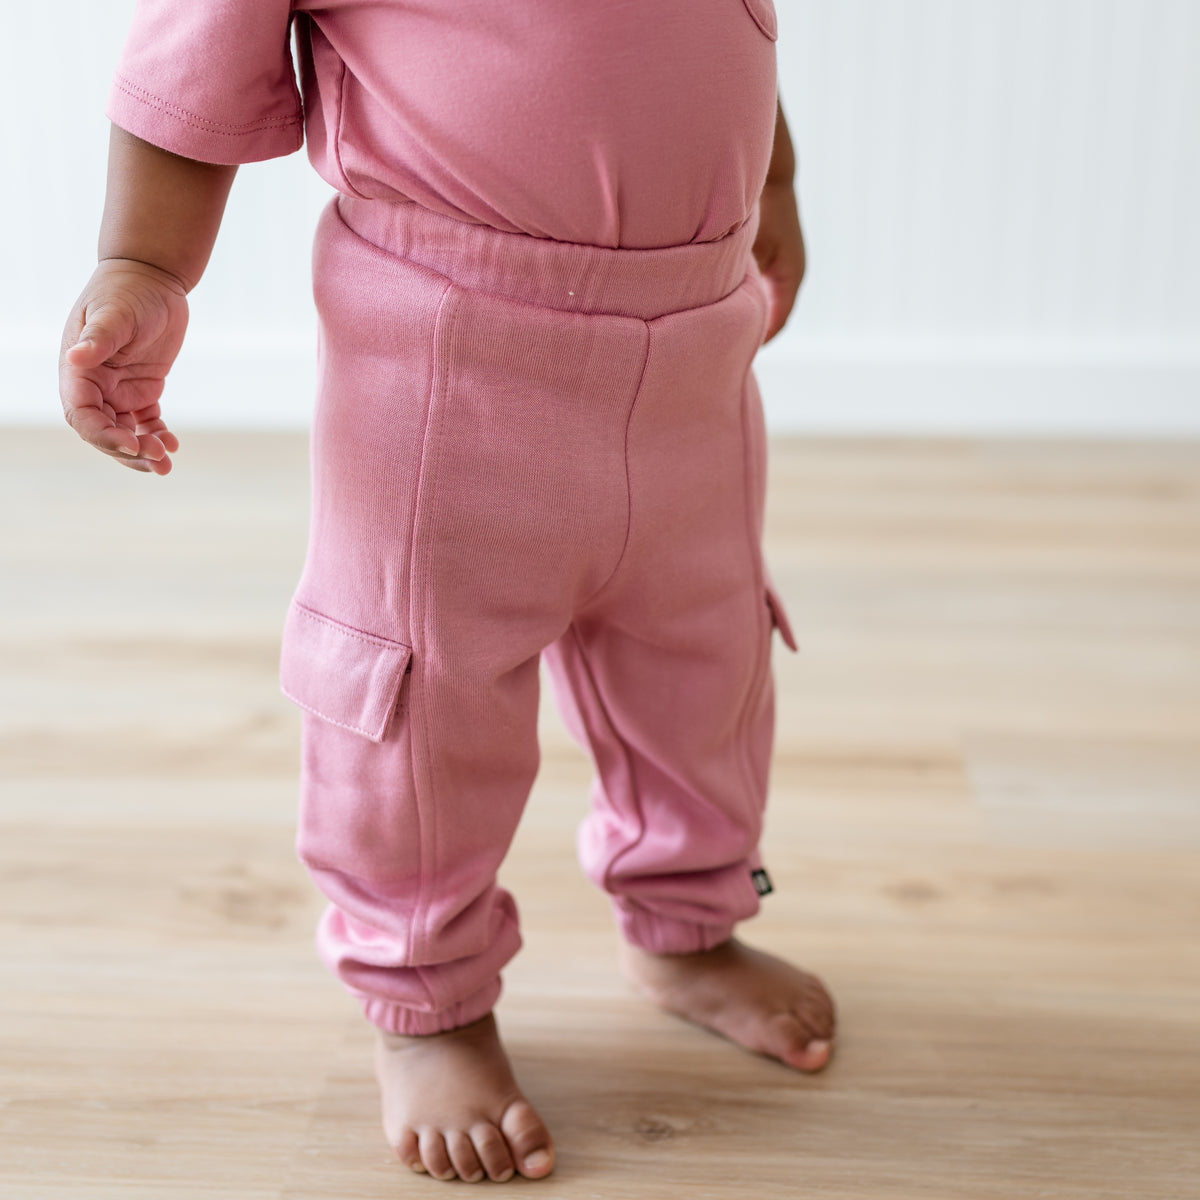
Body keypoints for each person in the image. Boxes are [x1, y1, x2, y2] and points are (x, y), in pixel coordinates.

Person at [58, 0, 836, 1184]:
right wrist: (145, 264)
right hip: (449, 357)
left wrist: (771, 184)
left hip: (698, 338)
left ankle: (690, 922)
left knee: (706, 657)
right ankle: (426, 997)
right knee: (418, 707)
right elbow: (192, 60)